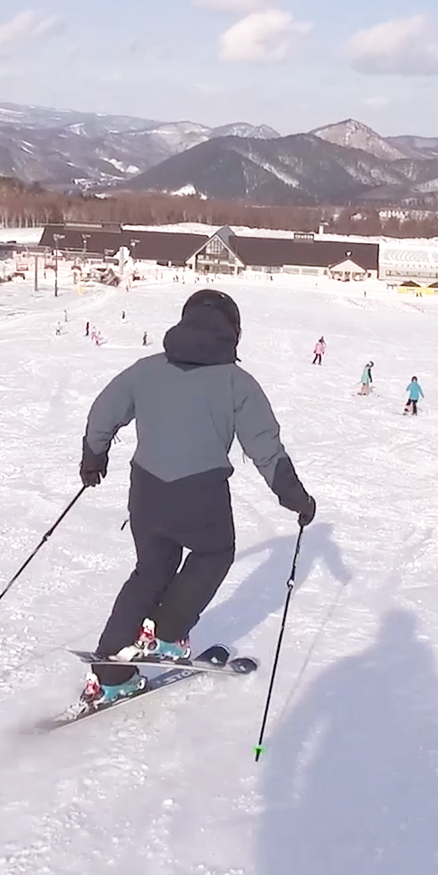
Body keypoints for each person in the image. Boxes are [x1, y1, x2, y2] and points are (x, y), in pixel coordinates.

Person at [77, 289, 317, 710]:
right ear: (233, 333)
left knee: (151, 569)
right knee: (215, 552)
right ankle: (168, 633)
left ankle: (112, 676)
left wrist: (93, 457)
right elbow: (266, 447)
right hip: (200, 492)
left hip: (147, 490)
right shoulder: (237, 383)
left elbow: (103, 412)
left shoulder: (145, 370)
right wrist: (295, 497)